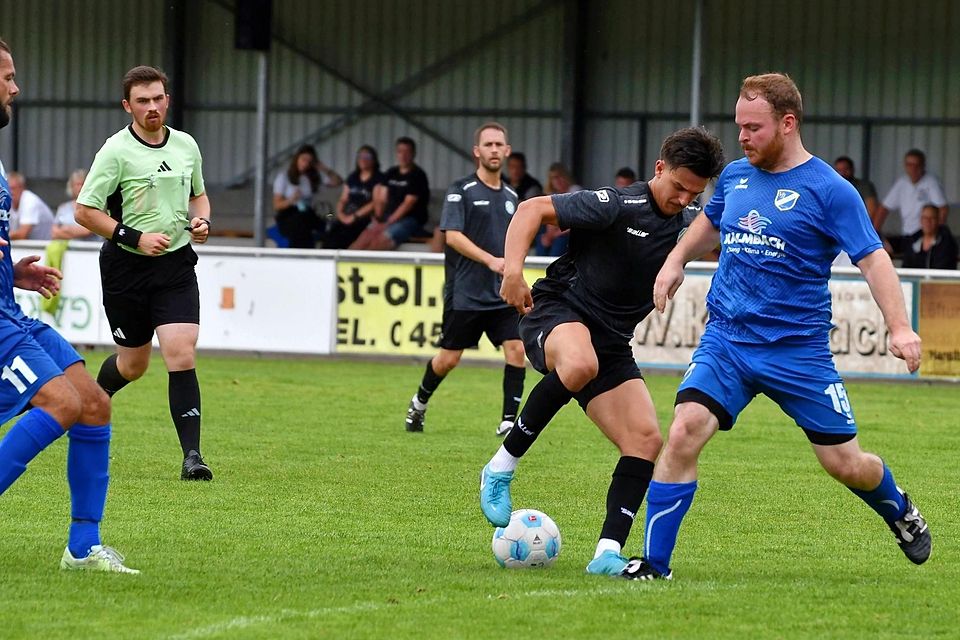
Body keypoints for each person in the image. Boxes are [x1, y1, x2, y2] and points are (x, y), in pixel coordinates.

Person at [634, 73, 930, 582]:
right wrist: (676, 258)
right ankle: (653, 566)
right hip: (727, 340)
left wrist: (900, 328)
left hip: (798, 352)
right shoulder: (733, 177)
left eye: (753, 128)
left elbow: (874, 259)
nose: (742, 138)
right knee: (683, 431)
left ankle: (898, 507)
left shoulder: (830, 191)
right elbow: (711, 222)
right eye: (739, 126)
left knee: (845, 463)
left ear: (787, 123)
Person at [478, 127, 725, 577]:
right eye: (677, 187)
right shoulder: (616, 204)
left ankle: (606, 553)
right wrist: (513, 270)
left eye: (694, 193)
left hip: (611, 342)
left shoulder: (688, 230)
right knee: (579, 362)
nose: (683, 199)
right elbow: (533, 209)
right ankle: (500, 467)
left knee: (646, 440)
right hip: (557, 311)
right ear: (659, 168)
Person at [0, 38, 138, 573]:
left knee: (94, 403)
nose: (17, 88)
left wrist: (12, 272)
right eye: (8, 77)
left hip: (11, 311)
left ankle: (82, 549)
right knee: (59, 403)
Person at [74, 65, 214, 481]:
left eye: (158, 98)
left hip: (175, 265)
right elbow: (84, 212)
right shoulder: (115, 151)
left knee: (180, 352)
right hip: (126, 268)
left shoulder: (186, 146)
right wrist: (131, 237)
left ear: (167, 99)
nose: (152, 107)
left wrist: (202, 222)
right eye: (142, 101)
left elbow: (199, 196)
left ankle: (193, 456)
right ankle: (91, 401)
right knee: (133, 364)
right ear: (127, 106)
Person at [404, 122, 525, 436]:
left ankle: (509, 422)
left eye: (499, 145)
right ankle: (419, 402)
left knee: (516, 350)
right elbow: (452, 236)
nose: (494, 150)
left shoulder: (513, 196)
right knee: (448, 359)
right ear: (477, 152)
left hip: (500, 292)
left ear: (507, 151)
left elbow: (515, 240)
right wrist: (490, 260)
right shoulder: (461, 190)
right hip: (466, 293)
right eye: (488, 145)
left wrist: (513, 270)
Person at [349, 136, 430, 251]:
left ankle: (369, 267)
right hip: (387, 218)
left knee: (380, 241)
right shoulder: (391, 172)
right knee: (363, 238)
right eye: (400, 151)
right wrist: (378, 219)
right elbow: (380, 196)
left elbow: (407, 204)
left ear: (413, 154)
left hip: (409, 220)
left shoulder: (418, 175)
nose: (403, 155)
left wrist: (387, 223)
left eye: (407, 152)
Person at [874, 149, 948, 254]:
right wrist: (874, 234)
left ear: (923, 165)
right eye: (909, 164)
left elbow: (943, 209)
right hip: (907, 235)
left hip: (924, 235)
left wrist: (937, 234)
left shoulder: (931, 182)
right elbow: (883, 208)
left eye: (916, 165)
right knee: (882, 248)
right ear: (905, 166)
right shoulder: (902, 183)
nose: (913, 168)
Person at [273, 144, 342, 249]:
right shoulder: (284, 177)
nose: (306, 164)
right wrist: (291, 200)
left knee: (330, 216)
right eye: (303, 159)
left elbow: (337, 181)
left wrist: (323, 168)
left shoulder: (312, 178)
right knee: (302, 224)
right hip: (288, 215)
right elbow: (277, 205)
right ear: (297, 159)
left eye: (309, 161)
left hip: (309, 213)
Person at [325, 145, 384, 249]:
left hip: (363, 218)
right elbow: (343, 199)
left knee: (345, 237)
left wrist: (354, 217)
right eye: (360, 156)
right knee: (331, 230)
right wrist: (341, 214)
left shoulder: (379, 178)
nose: (363, 159)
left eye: (367, 157)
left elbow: (375, 202)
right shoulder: (353, 177)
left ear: (374, 160)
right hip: (346, 216)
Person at [534, 163, 581, 257]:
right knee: (541, 239)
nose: (557, 181)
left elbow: (577, 221)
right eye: (553, 178)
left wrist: (555, 235)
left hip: (572, 231)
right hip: (557, 230)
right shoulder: (551, 194)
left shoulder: (575, 191)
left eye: (559, 177)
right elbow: (548, 219)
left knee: (560, 241)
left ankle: (554, 269)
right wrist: (548, 236)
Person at [901, 203, 958, 270]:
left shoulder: (947, 243)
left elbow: (942, 269)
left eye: (932, 218)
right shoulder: (913, 241)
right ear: (921, 220)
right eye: (925, 218)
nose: (928, 221)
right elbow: (906, 267)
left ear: (938, 220)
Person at [6, 170, 54, 240]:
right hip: (31, 246)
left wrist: (2, 236)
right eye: (7, 189)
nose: (11, 192)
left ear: (22, 188)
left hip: (46, 246)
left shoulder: (30, 201)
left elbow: (22, 234)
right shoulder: (6, 200)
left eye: (13, 188)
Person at [53, 169, 97, 241]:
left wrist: (66, 229)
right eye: (77, 184)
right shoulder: (63, 208)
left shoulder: (95, 206)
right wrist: (74, 232)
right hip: (67, 250)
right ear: (71, 186)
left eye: (82, 184)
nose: (80, 187)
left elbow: (88, 231)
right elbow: (54, 232)